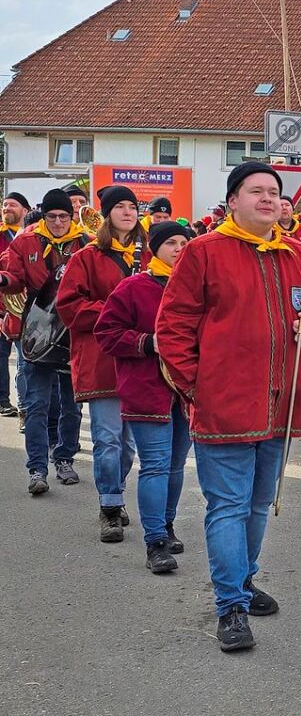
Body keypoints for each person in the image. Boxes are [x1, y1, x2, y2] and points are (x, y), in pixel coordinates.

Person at [156, 161, 301, 652]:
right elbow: (172, 329)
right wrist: (199, 387)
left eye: (274, 192)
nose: (268, 199)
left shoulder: (300, 254)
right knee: (229, 507)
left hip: (280, 404)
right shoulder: (202, 252)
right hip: (224, 405)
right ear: (233, 200)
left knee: (258, 504)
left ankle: (245, 580)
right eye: (256, 191)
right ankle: (229, 604)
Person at [94, 221, 193, 573]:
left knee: (176, 466)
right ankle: (154, 543)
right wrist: (148, 342)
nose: (180, 248)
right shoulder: (134, 286)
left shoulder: (199, 287)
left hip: (187, 391)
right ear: (156, 248)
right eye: (172, 243)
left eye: (185, 242)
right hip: (146, 389)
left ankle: (167, 525)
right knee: (155, 465)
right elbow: (106, 333)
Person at [57, 185, 150, 543]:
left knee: (127, 446)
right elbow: (69, 306)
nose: (128, 212)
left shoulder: (148, 255)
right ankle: (110, 506)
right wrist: (115, 313)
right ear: (107, 213)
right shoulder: (87, 257)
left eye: (133, 206)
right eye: (120, 207)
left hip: (140, 361)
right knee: (108, 440)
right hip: (102, 360)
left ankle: (116, 492)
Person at [0, 189, 88, 494]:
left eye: (64, 216)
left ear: (71, 216)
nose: (59, 222)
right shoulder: (25, 241)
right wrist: (3, 281)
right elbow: (14, 278)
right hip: (37, 330)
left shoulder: (85, 242)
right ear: (43, 215)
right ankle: (37, 468)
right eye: (52, 216)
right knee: (37, 403)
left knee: (72, 405)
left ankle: (64, 458)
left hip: (73, 332)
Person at [0, 192, 31, 418]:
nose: (6, 208)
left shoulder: (32, 237)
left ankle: (24, 408)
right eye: (4, 205)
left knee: (23, 362)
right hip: (2, 307)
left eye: (12, 204)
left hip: (24, 311)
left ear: (25, 211)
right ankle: (3, 400)